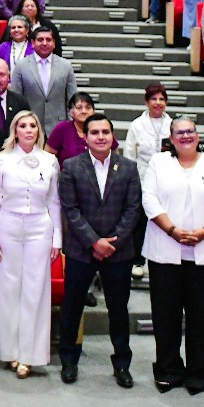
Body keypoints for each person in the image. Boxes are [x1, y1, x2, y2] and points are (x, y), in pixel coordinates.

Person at [141, 116, 204, 395]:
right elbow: (149, 199)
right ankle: (168, 370)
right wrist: (172, 230)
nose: (185, 136)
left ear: (198, 135)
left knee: (200, 316)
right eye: (179, 132)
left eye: (190, 131)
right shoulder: (159, 163)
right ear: (171, 138)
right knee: (165, 315)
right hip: (165, 251)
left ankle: (199, 372)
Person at [57, 114, 141, 388]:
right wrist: (94, 242)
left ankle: (122, 363)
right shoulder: (71, 166)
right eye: (95, 132)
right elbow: (70, 209)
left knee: (118, 309)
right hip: (81, 250)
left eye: (106, 131)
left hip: (119, 251)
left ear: (113, 135)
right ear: (85, 136)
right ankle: (69, 360)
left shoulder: (128, 167)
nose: (101, 137)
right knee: (72, 307)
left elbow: (133, 210)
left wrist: (112, 243)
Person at [0, 111, 59, 378]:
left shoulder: (50, 161)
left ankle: (30, 355)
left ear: (39, 130)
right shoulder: (1, 160)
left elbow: (55, 202)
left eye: (33, 126)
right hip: (8, 225)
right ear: (15, 131)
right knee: (9, 288)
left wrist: (57, 238)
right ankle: (11, 352)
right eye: (23, 126)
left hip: (40, 226)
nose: (28, 130)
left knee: (35, 288)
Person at [9, 28, 76, 132]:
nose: (44, 43)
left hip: (59, 127)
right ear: (32, 43)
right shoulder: (21, 66)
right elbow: (15, 99)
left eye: (48, 40)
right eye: (40, 40)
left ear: (54, 43)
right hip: (30, 127)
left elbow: (72, 100)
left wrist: (71, 126)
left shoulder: (66, 66)